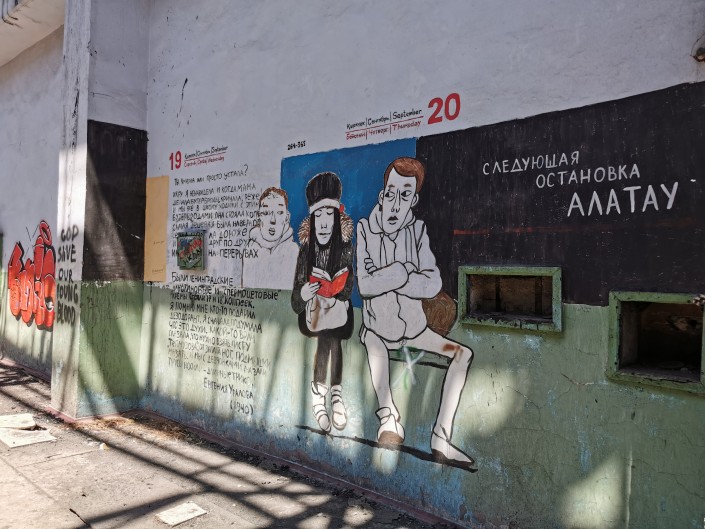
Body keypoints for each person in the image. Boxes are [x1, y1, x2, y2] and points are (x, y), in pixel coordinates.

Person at [356, 157, 475, 469]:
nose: (396, 203)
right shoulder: (366, 229)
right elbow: (366, 285)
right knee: (371, 339)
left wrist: (392, 278)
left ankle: (441, 438)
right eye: (392, 193)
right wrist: (402, 271)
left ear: (414, 200)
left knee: (462, 354)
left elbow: (432, 282)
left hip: (415, 329)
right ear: (382, 194)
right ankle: (388, 418)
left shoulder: (418, 231)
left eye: (405, 195)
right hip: (378, 328)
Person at [291, 172, 354, 433]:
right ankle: (325, 395)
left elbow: (349, 284)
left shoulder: (346, 248)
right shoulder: (306, 252)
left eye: (330, 214)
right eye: (319, 215)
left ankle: (330, 394)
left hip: (338, 313)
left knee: (333, 336)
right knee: (327, 337)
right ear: (312, 219)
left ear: (338, 217)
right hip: (313, 315)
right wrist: (304, 293)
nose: (325, 223)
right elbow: (295, 299)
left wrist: (339, 291)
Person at [241, 187, 299, 290]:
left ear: (287, 217)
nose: (273, 220)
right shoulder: (250, 249)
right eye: (266, 213)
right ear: (259, 216)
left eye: (279, 212)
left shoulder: (293, 251)